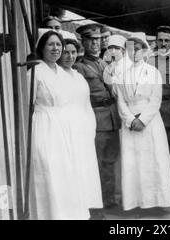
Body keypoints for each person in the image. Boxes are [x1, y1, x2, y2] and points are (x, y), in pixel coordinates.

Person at [28, 30, 97, 219]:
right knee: (50, 174)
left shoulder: (64, 74)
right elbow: (28, 106)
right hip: (44, 127)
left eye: (58, 44)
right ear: (41, 47)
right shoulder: (35, 71)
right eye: (51, 44)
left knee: (67, 176)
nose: (56, 49)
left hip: (65, 131)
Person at [113, 32, 170, 211]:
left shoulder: (153, 72)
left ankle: (157, 202)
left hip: (150, 122)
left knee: (153, 160)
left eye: (138, 49)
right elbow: (121, 102)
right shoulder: (121, 75)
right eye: (130, 49)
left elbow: (156, 99)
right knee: (134, 163)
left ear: (144, 50)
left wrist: (143, 120)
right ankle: (137, 203)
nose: (134, 52)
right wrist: (131, 119)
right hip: (131, 124)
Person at [74, 23, 121, 209]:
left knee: (110, 160)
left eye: (98, 40)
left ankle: (108, 199)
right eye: (91, 40)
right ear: (83, 42)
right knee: (97, 162)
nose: (95, 44)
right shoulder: (79, 67)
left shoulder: (104, 63)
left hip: (111, 117)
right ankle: (96, 201)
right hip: (95, 118)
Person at [57, 34, 104, 219]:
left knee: (87, 171)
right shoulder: (57, 76)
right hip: (66, 130)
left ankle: (91, 209)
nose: (70, 56)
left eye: (73, 52)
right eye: (66, 53)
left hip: (83, 130)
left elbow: (85, 103)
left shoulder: (77, 76)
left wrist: (89, 127)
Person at [147, 25, 170, 202]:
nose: (163, 43)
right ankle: (156, 195)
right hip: (152, 114)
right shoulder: (147, 61)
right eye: (160, 40)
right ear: (155, 41)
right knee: (154, 154)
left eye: (167, 40)